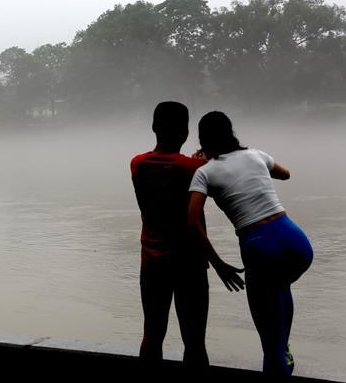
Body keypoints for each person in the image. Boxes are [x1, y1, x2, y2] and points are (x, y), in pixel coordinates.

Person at [187, 111, 313, 378]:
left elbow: (192, 222)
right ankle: (284, 348)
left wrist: (218, 264)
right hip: (297, 242)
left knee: (269, 342)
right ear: (231, 133)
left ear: (202, 140)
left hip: (260, 246)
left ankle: (279, 354)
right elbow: (286, 174)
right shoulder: (256, 155)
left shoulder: (204, 172)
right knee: (280, 286)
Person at [130, 101, 209, 368]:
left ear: (154, 127)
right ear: (185, 132)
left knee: (152, 334)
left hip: (152, 261)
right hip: (190, 263)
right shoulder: (195, 168)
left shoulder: (138, 164)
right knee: (194, 340)